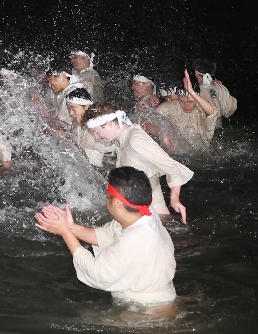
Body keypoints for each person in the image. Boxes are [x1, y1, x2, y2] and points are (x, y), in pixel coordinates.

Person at [34, 167, 176, 310]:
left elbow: (97, 273)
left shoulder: (134, 240)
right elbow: (106, 235)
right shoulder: (145, 214)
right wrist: (71, 227)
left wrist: (65, 233)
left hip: (146, 310)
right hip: (157, 298)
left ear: (116, 203)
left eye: (108, 196)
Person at [86, 106, 193, 221]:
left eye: (96, 132)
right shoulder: (123, 139)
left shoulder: (135, 139)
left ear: (109, 123)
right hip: (146, 213)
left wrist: (174, 198)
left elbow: (173, 166)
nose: (96, 137)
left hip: (150, 213)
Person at [156, 70, 219, 149]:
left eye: (190, 101)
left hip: (200, 155)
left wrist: (192, 92)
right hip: (175, 152)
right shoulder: (169, 107)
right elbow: (153, 119)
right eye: (182, 101)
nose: (185, 105)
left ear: (196, 98)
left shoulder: (202, 111)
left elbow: (213, 112)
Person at [61, 88, 116, 166]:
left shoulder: (99, 124)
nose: (71, 113)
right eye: (68, 109)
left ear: (87, 106)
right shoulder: (76, 123)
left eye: (73, 109)